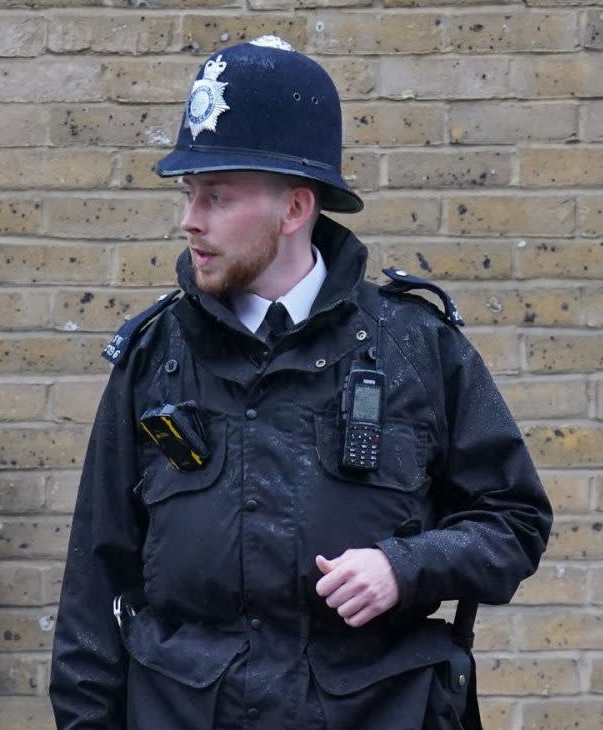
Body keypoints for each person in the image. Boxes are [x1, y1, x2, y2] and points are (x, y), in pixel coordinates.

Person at [49, 36, 551, 730]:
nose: (190, 219)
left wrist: (405, 566)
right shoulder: (155, 358)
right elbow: (92, 588)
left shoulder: (415, 349)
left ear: (293, 210)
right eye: (189, 194)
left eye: (217, 196)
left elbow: (514, 524)